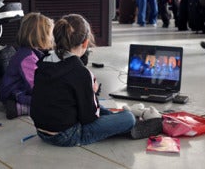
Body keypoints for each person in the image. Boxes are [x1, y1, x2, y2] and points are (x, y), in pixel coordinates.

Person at [30, 14, 137, 146]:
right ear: (85, 43)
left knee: (101, 108)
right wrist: (93, 92)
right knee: (129, 118)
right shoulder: (81, 73)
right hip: (67, 135)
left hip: (41, 131)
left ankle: (113, 119)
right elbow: (88, 118)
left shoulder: (43, 62)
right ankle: (123, 123)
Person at [0, 12, 54, 119]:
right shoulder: (26, 57)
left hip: (22, 88)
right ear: (40, 36)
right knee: (47, 101)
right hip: (13, 94)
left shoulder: (31, 52)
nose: (51, 38)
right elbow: (36, 86)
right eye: (50, 34)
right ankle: (18, 108)